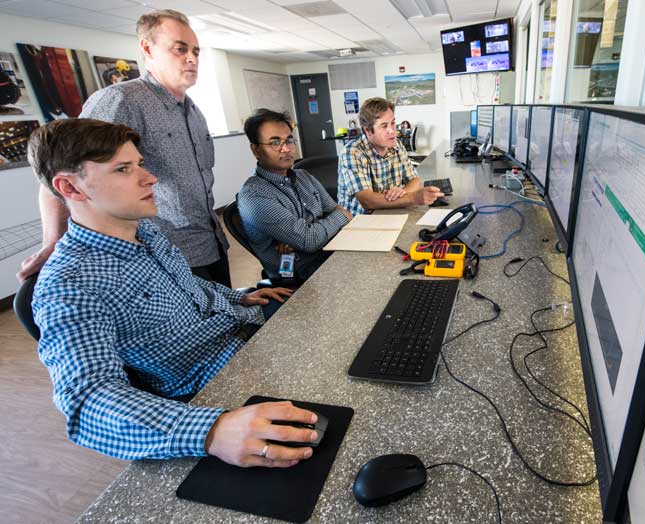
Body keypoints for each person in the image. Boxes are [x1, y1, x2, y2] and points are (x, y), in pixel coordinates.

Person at [30, 118, 316, 467]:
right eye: (123, 169)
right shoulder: (69, 284)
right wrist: (211, 430)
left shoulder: (145, 230)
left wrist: (237, 296)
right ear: (71, 189)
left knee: (341, 329)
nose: (149, 178)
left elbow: (186, 285)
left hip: (242, 328)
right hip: (215, 380)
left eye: (140, 164)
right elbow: (87, 399)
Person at [18, 9, 232, 287]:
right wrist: (53, 241)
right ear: (148, 48)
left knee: (234, 322)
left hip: (209, 241)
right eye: (180, 49)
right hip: (160, 254)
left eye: (195, 51)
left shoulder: (193, 111)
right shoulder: (121, 100)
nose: (191, 58)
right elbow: (62, 170)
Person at [238, 109, 352, 283]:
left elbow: (337, 211)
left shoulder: (303, 176)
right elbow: (311, 240)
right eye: (275, 142)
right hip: (294, 274)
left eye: (289, 140)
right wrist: (320, 229)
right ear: (256, 149)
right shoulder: (254, 196)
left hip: (328, 255)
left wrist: (307, 234)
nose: (286, 149)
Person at [337, 97, 442, 216]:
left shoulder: (397, 145)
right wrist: (413, 197)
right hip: (360, 221)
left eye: (393, 123)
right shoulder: (352, 152)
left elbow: (415, 180)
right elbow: (367, 201)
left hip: (390, 212)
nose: (392, 131)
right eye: (384, 126)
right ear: (368, 130)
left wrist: (402, 192)